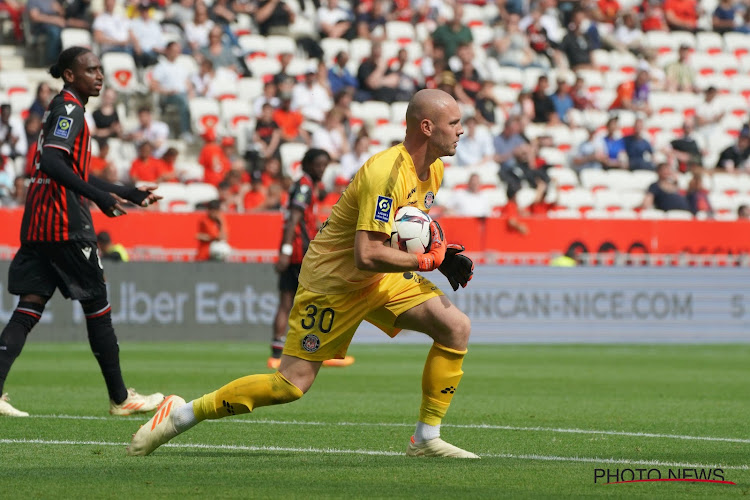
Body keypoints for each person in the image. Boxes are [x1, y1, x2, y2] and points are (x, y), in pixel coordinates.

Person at [127, 89, 478, 459]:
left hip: (381, 280)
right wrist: (429, 262)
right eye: (454, 123)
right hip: (334, 283)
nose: (461, 130)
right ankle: (181, 414)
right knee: (289, 385)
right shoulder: (385, 171)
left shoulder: (433, 169)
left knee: (455, 327)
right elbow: (366, 253)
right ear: (427, 127)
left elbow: (401, 230)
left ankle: (426, 438)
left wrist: (444, 251)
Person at [0, 47, 164, 417]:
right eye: (90, 70)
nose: (99, 76)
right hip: (64, 224)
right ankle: (121, 398)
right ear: (70, 76)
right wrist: (101, 199)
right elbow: (53, 162)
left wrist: (127, 192)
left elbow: (72, 167)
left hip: (39, 222)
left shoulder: (63, 108)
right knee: (97, 305)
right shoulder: (71, 109)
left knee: (30, 305)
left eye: (100, 69)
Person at [269, 148, 355, 369]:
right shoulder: (305, 187)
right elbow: (293, 220)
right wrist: (287, 251)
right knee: (318, 299)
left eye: (324, 165)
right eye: (318, 165)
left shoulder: (306, 186)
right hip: (300, 253)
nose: (322, 169)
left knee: (288, 300)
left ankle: (277, 354)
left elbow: (304, 220)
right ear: (306, 164)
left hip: (298, 252)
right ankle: (316, 349)